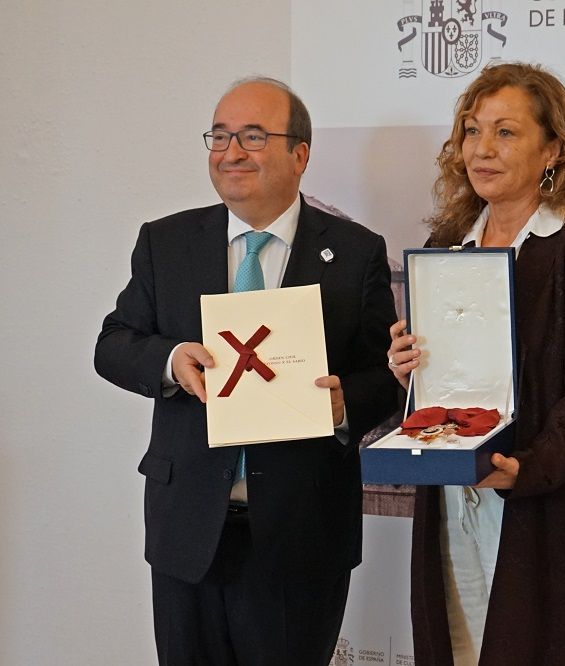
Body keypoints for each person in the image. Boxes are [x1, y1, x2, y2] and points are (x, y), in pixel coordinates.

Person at [94, 77, 398, 665]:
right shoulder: (166, 242)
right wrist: (170, 360)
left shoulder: (356, 252)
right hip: (188, 528)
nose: (231, 152)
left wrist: (344, 404)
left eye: (253, 136)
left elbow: (383, 375)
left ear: (300, 154)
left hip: (301, 532)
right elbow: (113, 343)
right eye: (220, 135)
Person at [386, 62, 565, 666]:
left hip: (541, 504)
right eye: (473, 131)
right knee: (459, 646)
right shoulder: (446, 249)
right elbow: (443, 385)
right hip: (450, 499)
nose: (482, 150)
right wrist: (408, 371)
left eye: (506, 133)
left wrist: (523, 469)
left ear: (553, 149)